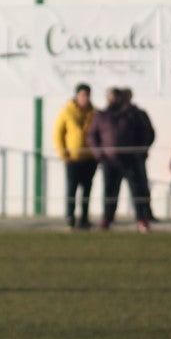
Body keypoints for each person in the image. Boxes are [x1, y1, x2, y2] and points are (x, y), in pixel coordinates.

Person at [87, 86, 155, 232]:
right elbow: (92, 136)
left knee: (138, 190)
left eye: (114, 96)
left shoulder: (133, 114)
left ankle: (142, 219)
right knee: (110, 192)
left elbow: (147, 133)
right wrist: (100, 155)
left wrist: (139, 152)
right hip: (110, 161)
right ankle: (107, 218)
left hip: (131, 160)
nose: (112, 100)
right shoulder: (101, 115)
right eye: (109, 96)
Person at [52, 83, 97, 230]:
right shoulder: (67, 111)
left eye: (87, 95)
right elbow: (58, 133)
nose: (85, 98)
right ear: (77, 95)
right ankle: (70, 217)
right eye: (83, 95)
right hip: (73, 158)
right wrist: (63, 153)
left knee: (87, 189)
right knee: (72, 189)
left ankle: (84, 218)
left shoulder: (94, 112)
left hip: (89, 159)